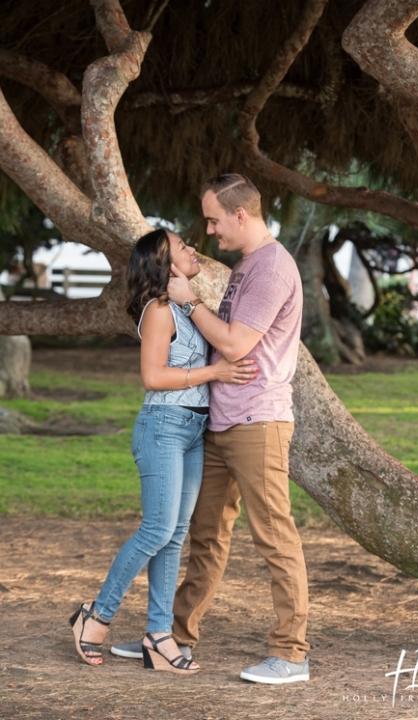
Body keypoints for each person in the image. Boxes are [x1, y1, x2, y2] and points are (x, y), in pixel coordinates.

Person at [69, 228, 256, 673]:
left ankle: (158, 636)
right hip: (163, 428)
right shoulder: (157, 311)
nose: (193, 249)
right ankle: (95, 617)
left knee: (174, 535)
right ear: (165, 264)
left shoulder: (188, 308)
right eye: (182, 247)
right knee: (156, 530)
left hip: (192, 430)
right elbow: (153, 377)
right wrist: (214, 373)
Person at [162, 173, 309, 685]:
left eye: (213, 220)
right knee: (204, 536)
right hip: (224, 421)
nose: (208, 231)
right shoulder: (250, 265)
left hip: (258, 422)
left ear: (240, 215)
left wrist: (188, 300)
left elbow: (236, 344)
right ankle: (174, 640)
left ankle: (291, 654)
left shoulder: (271, 268)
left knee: (275, 537)